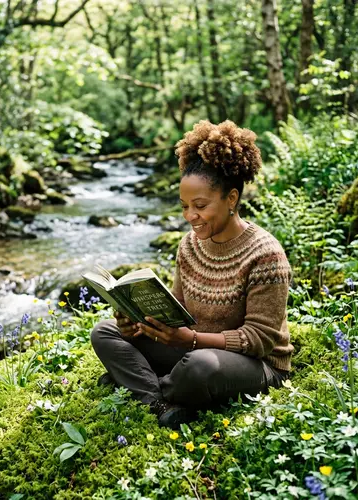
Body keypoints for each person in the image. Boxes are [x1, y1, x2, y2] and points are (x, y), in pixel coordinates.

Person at [91, 120, 293, 429]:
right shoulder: (190, 245)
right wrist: (139, 323)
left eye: (200, 205)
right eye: (185, 206)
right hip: (193, 346)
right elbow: (177, 308)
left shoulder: (265, 254)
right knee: (105, 332)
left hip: (253, 365)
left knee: (200, 367)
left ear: (232, 199)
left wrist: (194, 340)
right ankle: (159, 401)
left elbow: (260, 340)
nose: (190, 216)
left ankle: (139, 384)